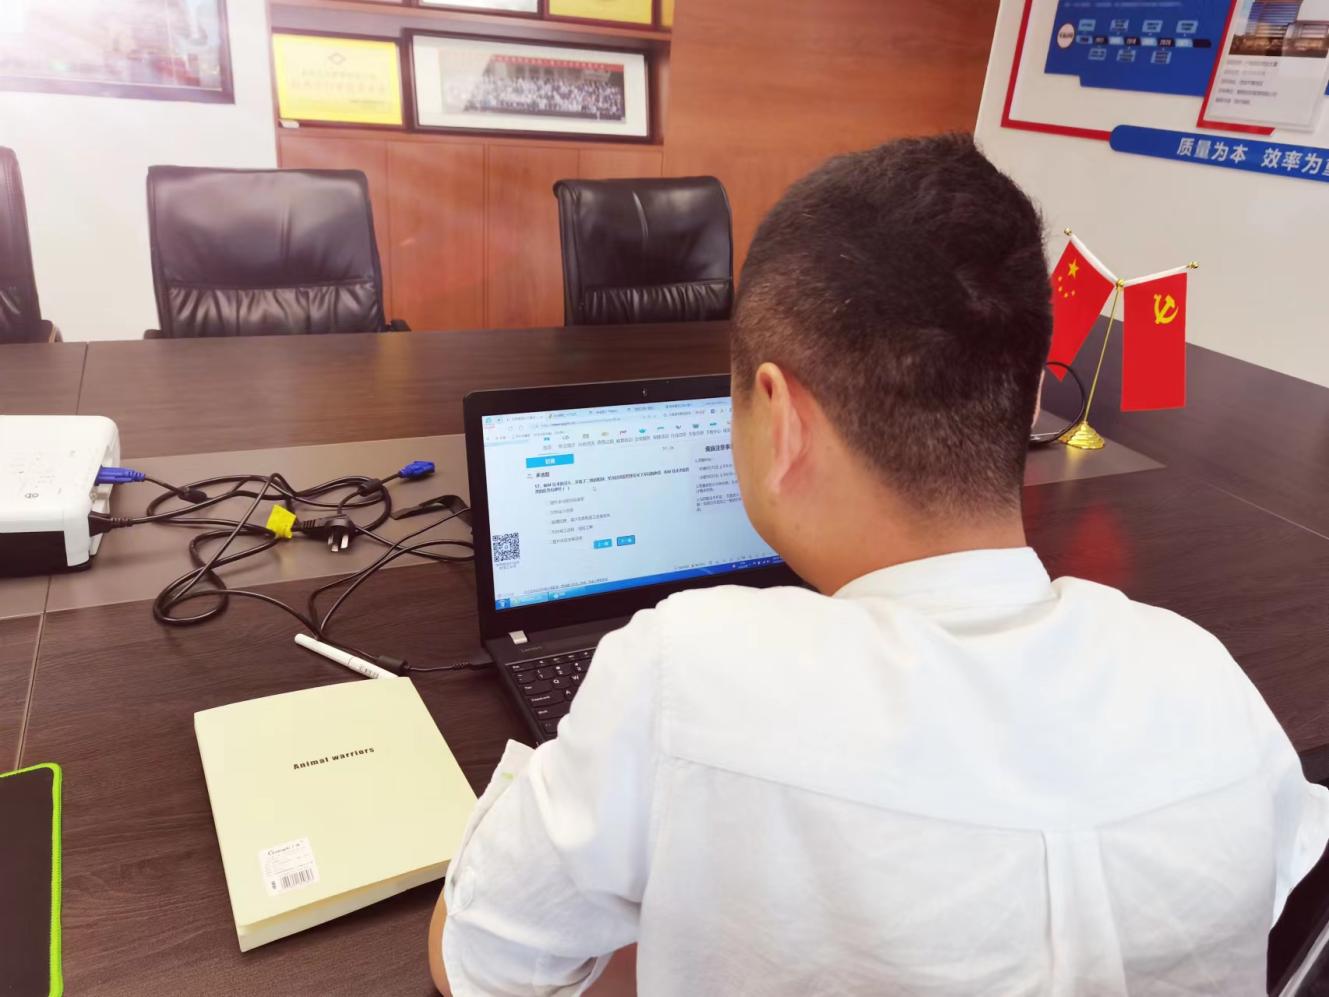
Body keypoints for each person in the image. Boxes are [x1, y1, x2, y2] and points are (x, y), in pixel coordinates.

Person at [428, 133, 1329, 995]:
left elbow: (478, 958)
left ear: (781, 418)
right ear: (1024, 399)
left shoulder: (682, 674)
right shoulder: (1206, 681)